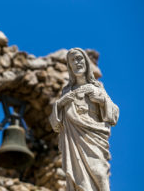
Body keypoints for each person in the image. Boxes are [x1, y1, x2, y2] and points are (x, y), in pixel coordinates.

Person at [49, 48, 119, 191]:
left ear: (86, 62)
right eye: (73, 60)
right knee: (78, 179)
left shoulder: (97, 87)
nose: (77, 62)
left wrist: (100, 100)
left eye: (80, 58)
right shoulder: (67, 91)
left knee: (100, 173)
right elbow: (55, 124)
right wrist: (61, 103)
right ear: (69, 66)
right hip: (74, 139)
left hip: (94, 137)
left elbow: (114, 114)